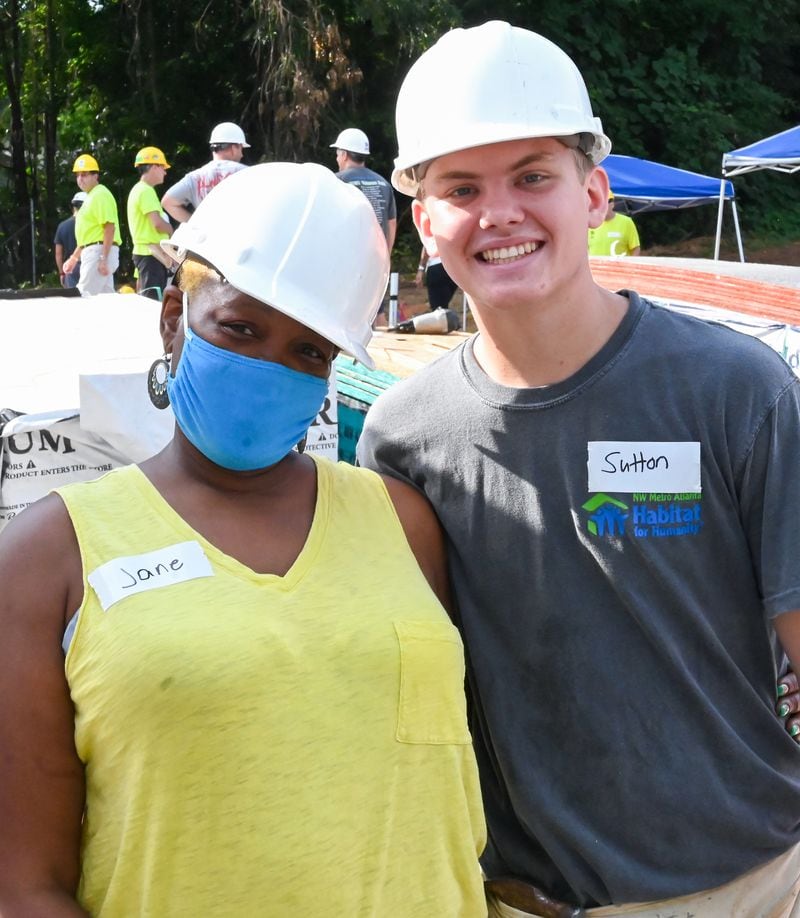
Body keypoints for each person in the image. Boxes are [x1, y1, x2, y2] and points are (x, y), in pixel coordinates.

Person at [358, 20, 800, 917]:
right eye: (463, 187)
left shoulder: (732, 391)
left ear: (595, 194)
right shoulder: (403, 439)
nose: (502, 213)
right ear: (424, 221)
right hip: (525, 900)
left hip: (749, 887)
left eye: (533, 177)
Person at [0, 162, 486, 917]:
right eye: (240, 329)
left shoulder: (403, 522)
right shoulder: (49, 557)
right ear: (173, 319)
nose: (269, 367)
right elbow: (25, 886)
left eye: (309, 352)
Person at [161, 121, 249, 223]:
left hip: (209, 238)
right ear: (234, 148)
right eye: (241, 149)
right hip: (241, 237)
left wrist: (195, 225)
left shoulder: (194, 177)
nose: (242, 155)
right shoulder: (247, 173)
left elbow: (167, 202)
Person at [62, 153, 122, 296]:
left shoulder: (100, 194)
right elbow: (89, 236)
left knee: (83, 296)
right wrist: (74, 258)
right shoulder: (92, 196)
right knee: (106, 299)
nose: (80, 179)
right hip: (97, 251)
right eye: (78, 175)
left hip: (98, 252)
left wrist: (103, 258)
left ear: (96, 176)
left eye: (84, 175)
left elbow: (109, 228)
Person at [330, 127, 397, 252]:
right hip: (376, 258)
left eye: (337, 155)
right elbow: (391, 223)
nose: (337, 159)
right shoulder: (383, 183)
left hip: (348, 256)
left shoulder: (336, 182)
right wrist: (386, 256)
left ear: (344, 155)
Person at [126, 146, 174, 300]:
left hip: (146, 253)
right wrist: (172, 231)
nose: (165, 172)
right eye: (163, 167)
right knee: (152, 301)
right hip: (150, 255)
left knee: (148, 297)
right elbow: (157, 224)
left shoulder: (138, 190)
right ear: (154, 166)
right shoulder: (146, 191)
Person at [588, 192, 641, 256]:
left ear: (612, 204)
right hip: (595, 265)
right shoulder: (590, 223)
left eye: (606, 202)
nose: (602, 206)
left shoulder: (626, 222)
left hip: (619, 265)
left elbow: (635, 248)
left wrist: (631, 265)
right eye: (599, 203)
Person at [54, 191, 86, 288]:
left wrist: (61, 273)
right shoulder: (91, 225)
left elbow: (58, 254)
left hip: (70, 268)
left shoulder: (62, 226)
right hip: (89, 264)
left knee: (73, 300)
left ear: (73, 207)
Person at [415, 245, 458, 310]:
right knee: (443, 305)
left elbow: (427, 246)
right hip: (454, 267)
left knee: (438, 309)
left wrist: (421, 269)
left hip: (437, 266)